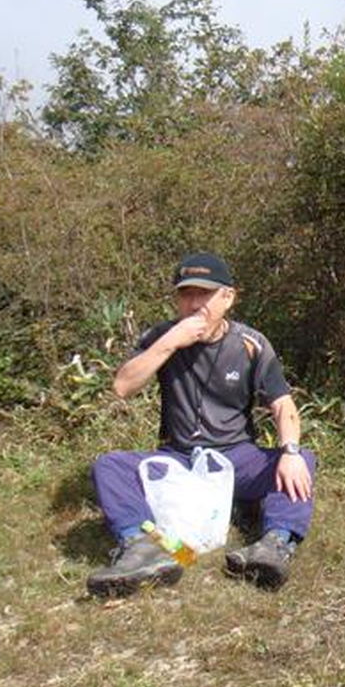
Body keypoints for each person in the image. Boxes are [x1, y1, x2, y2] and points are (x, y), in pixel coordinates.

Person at [87, 252, 316, 597]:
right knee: (109, 467)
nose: (194, 304)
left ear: (228, 297)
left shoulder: (250, 344)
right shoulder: (161, 336)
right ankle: (142, 548)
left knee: (302, 460)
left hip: (235, 457)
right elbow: (122, 386)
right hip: (178, 457)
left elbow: (283, 405)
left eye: (204, 294)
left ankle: (273, 545)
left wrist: (291, 451)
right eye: (186, 294)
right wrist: (170, 343)